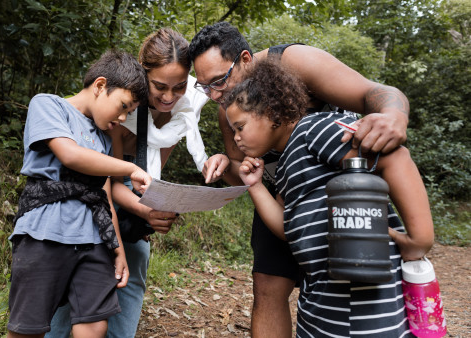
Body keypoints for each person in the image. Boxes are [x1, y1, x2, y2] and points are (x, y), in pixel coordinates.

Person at [188, 22, 411, 337]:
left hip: (338, 193)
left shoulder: (295, 63)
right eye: (204, 86)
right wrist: (225, 165)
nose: (213, 95)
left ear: (246, 60)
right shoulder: (228, 105)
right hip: (282, 198)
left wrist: (395, 118)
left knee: (352, 285)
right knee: (267, 285)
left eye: (219, 80)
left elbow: (376, 93)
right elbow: (243, 171)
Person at [229, 56, 434, 337]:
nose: (236, 138)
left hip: (364, 299)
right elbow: (287, 228)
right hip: (319, 301)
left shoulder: (315, 130)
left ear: (273, 114)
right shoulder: (286, 162)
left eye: (240, 127)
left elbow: (396, 158)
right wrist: (254, 185)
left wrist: (419, 238)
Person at [46, 28, 210, 338]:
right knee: (77, 279)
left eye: (178, 88)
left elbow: (149, 179)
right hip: (91, 201)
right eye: (159, 86)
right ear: (142, 75)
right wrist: (145, 211)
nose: (168, 97)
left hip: (129, 208)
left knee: (134, 266)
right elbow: (108, 180)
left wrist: (156, 208)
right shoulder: (119, 113)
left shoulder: (179, 114)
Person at [7, 50, 152, 338]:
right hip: (45, 235)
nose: (123, 117)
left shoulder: (104, 136)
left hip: (95, 240)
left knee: (95, 324)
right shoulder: (49, 105)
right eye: (123, 106)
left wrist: (118, 251)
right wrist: (129, 168)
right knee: (28, 328)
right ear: (100, 86)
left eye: (130, 113)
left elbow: (105, 195)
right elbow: (70, 155)